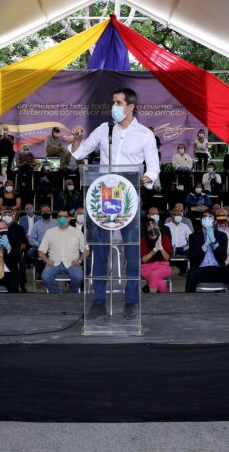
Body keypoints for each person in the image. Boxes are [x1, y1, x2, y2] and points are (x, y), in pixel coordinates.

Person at [68, 87, 160, 317]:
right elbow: (80, 154)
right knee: (99, 251)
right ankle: (98, 301)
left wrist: (145, 178)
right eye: (113, 102)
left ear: (130, 107)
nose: (114, 107)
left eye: (118, 103)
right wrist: (77, 139)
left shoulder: (144, 134)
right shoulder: (103, 129)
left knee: (130, 252)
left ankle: (131, 302)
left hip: (129, 196)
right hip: (102, 196)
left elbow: (154, 168)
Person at [185, 209, 229, 300]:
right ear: (201, 221)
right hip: (200, 269)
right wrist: (205, 245)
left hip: (218, 269)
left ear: (215, 221)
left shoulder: (222, 236)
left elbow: (223, 257)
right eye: (204, 217)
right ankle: (188, 303)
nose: (207, 219)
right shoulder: (194, 236)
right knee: (191, 274)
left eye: (210, 217)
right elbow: (192, 258)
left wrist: (214, 242)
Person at [38, 211, 86, 293]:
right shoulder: (50, 232)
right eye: (60, 216)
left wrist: (79, 260)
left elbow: (86, 250)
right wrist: (47, 260)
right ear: (57, 219)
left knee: (78, 277)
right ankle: (57, 294)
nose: (62, 218)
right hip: (54, 263)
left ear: (69, 219)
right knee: (45, 276)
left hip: (72, 263)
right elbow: (40, 251)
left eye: (65, 216)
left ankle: (71, 294)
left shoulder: (77, 232)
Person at [140, 219, 172, 293]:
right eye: (149, 226)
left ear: (158, 227)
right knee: (157, 279)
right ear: (147, 229)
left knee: (154, 275)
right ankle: (164, 295)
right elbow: (144, 260)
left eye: (154, 225)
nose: (152, 228)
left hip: (163, 266)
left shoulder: (165, 238)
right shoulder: (143, 240)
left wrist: (161, 248)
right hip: (146, 268)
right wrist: (153, 251)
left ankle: (152, 297)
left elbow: (167, 258)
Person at [27, 204, 55, 276]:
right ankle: (42, 271)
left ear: (50, 212)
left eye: (47, 211)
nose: (45, 213)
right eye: (43, 211)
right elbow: (31, 239)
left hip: (54, 248)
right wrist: (39, 244)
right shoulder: (37, 224)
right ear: (40, 213)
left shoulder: (56, 223)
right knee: (30, 253)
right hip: (40, 247)